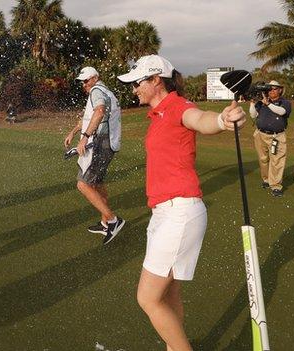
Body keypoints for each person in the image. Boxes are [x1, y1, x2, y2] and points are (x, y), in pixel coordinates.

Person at [117, 55, 246, 351]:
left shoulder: (178, 106)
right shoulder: (157, 114)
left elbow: (199, 119)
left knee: (147, 298)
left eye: (138, 82)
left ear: (155, 81)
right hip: (165, 213)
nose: (134, 89)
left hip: (180, 212)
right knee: (168, 293)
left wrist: (221, 120)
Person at [64, 66, 125, 244]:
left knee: (83, 184)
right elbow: (88, 116)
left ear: (95, 78)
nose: (84, 84)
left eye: (86, 80)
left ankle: (113, 220)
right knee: (96, 182)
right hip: (107, 143)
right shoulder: (104, 91)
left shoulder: (97, 90)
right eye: (82, 82)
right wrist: (74, 131)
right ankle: (106, 222)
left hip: (101, 143)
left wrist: (85, 137)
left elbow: (99, 112)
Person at [249, 80, 291, 197]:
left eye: (275, 88)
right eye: (270, 89)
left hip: (277, 136)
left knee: (277, 160)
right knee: (263, 159)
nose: (272, 91)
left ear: (280, 90)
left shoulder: (284, 102)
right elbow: (253, 115)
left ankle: (276, 185)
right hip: (260, 134)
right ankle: (266, 180)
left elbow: (282, 112)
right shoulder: (261, 102)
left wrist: (268, 104)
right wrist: (253, 102)